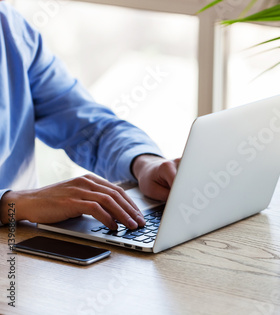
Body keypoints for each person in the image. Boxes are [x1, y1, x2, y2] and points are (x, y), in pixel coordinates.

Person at [0, 2, 179, 230]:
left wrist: (144, 162)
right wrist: (12, 204)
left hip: (23, 241)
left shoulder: (9, 27)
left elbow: (87, 125)